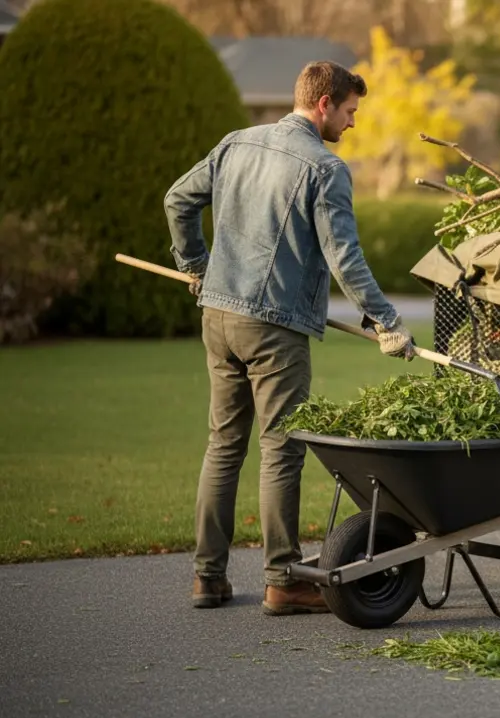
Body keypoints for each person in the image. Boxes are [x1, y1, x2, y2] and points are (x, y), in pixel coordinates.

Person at [163, 60, 416, 615]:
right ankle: (282, 582)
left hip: (217, 317)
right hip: (274, 329)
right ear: (324, 104)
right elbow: (344, 257)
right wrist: (385, 321)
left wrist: (196, 266)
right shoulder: (325, 168)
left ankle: (208, 578)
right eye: (350, 111)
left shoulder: (236, 143)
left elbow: (177, 200)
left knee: (223, 445)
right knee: (281, 450)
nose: (352, 122)